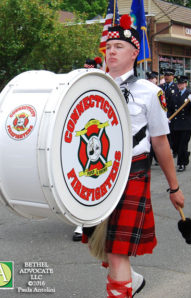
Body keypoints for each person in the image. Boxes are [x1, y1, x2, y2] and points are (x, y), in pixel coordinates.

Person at [82, 14, 184, 298]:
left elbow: (161, 143)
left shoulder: (150, 93)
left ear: (134, 53)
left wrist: (174, 188)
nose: (111, 50)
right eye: (109, 46)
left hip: (131, 172)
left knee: (116, 251)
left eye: (119, 46)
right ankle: (131, 279)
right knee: (105, 245)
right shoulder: (92, 85)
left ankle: (121, 290)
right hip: (97, 173)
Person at [72, 56, 103, 242]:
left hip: (99, 138)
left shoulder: (102, 84)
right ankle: (81, 221)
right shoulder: (77, 84)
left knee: (97, 177)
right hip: (82, 137)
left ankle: (93, 219)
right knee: (81, 176)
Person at [168, 75, 191, 172]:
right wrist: (168, 118)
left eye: (181, 83)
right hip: (175, 124)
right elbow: (171, 108)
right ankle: (185, 155)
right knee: (175, 145)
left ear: (185, 84)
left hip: (185, 125)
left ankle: (181, 163)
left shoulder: (190, 95)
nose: (179, 85)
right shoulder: (175, 94)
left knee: (182, 145)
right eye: (178, 83)